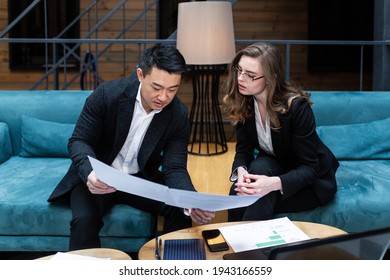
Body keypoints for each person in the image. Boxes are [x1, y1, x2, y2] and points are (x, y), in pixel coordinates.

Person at [48, 44, 215, 250]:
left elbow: (175, 167)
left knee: (180, 209)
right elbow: (79, 140)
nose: (164, 97)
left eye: (172, 89)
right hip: (99, 175)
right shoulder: (107, 95)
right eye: (157, 87)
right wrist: (90, 173)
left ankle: (175, 268)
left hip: (139, 180)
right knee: (85, 220)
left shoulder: (177, 114)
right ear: (140, 75)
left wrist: (190, 199)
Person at [222, 42, 339, 222]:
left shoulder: (296, 108)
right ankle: (249, 247)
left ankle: (245, 248)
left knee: (250, 198)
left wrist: (272, 184)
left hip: (308, 181)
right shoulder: (245, 103)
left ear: (270, 78)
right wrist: (241, 171)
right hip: (273, 166)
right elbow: (243, 150)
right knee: (242, 189)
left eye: (251, 75)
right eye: (239, 70)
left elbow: (310, 168)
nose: (240, 78)